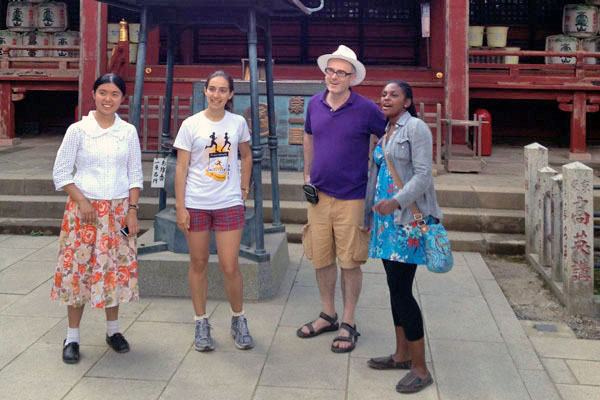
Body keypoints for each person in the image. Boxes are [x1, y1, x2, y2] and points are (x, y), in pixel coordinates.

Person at [298, 45, 386, 353]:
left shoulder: (366, 109)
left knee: (350, 260)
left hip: (353, 195)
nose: (334, 77)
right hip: (318, 195)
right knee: (321, 257)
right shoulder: (313, 104)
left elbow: (388, 137)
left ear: (352, 78)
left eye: (341, 73)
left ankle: (348, 321)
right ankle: (328, 314)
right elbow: (308, 136)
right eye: (330, 71)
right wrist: (307, 175)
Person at [51, 73, 143, 364]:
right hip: (83, 214)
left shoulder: (127, 132)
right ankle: (72, 337)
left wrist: (132, 210)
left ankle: (113, 331)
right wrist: (82, 201)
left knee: (113, 271)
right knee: (77, 271)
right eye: (103, 92)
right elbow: (62, 172)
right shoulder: (78, 130)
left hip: (118, 213)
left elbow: (135, 175)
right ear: (93, 94)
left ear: (122, 99)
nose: (108, 99)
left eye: (115, 94)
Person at [364, 80, 442, 393]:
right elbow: (377, 175)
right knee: (394, 288)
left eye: (394, 94)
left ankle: (420, 368)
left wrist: (396, 201)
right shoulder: (387, 131)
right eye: (383, 94)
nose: (386, 98)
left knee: (402, 291)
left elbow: (423, 175)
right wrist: (370, 215)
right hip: (385, 223)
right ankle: (401, 354)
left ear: (407, 101)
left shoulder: (416, 128)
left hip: (407, 221)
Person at [174, 70, 254, 351]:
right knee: (198, 262)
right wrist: (180, 206)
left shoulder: (238, 123)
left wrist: (244, 189)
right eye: (212, 89)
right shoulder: (191, 124)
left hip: (228, 202)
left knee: (230, 265)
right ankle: (200, 321)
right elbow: (182, 167)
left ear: (230, 94)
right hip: (196, 203)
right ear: (205, 91)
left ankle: (238, 318)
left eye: (223, 90)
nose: (217, 95)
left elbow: (246, 155)